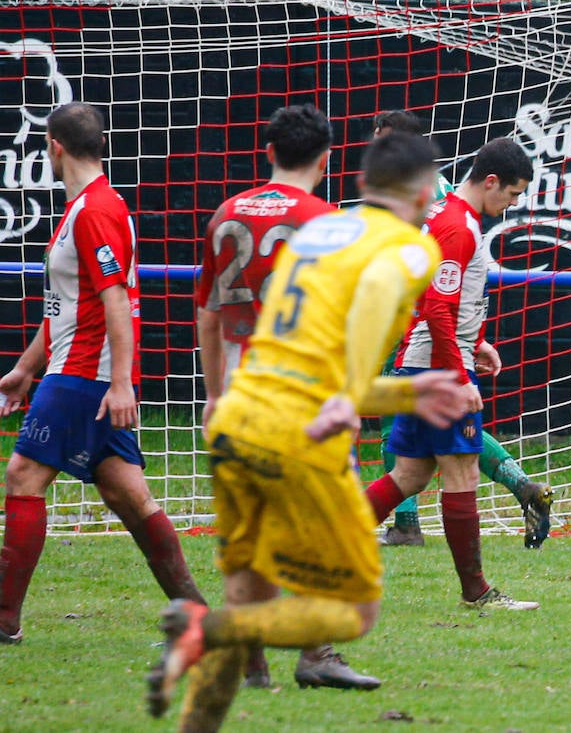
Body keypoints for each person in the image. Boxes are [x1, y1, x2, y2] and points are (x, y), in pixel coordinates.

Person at [146, 130, 472, 728]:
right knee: (354, 613)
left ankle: (201, 714)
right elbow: (373, 299)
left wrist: (404, 391)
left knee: (248, 587)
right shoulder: (411, 246)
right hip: (298, 432)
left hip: (239, 417)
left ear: (358, 184)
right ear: (427, 192)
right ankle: (206, 626)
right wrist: (350, 394)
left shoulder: (320, 232)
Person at [0, 102, 213, 644]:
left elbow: (117, 300)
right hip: (79, 370)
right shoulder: (87, 208)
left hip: (82, 376)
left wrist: (121, 383)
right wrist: (25, 369)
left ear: (54, 147)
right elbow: (66, 308)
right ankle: (200, 617)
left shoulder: (96, 210)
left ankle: (4, 621)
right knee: (128, 495)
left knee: (22, 477)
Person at [194, 103, 378, 690]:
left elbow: (208, 311)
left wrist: (213, 393)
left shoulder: (226, 214)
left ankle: (250, 661)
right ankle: (316, 654)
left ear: (269, 152)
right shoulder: (330, 223)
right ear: (326, 159)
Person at [363, 136, 538, 610]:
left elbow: (435, 302)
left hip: (425, 360)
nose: (512, 205)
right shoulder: (460, 226)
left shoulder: (448, 218)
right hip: (438, 369)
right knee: (461, 474)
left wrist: (475, 341)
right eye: (513, 194)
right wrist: (460, 376)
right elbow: (439, 308)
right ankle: (477, 593)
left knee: (410, 475)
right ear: (492, 181)